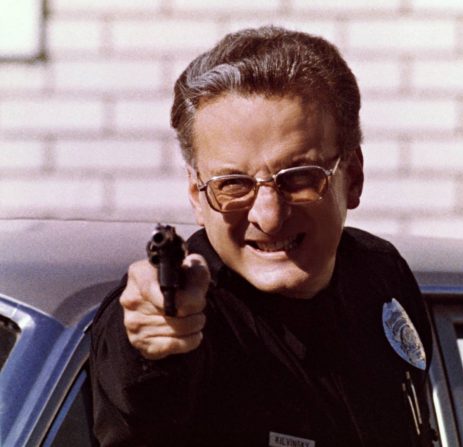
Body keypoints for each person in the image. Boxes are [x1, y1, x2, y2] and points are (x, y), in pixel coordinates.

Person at [90, 26, 436, 447]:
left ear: (354, 176)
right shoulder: (191, 313)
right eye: (233, 185)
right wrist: (151, 345)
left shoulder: (380, 276)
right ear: (197, 196)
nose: (269, 217)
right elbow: (141, 398)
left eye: (300, 178)